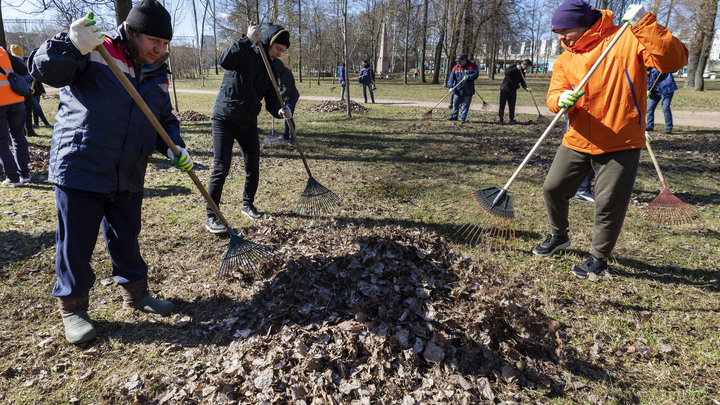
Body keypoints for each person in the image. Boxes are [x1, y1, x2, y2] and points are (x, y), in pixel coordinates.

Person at [29, 0, 193, 344]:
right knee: (75, 243)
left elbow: (163, 119)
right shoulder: (94, 48)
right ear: (132, 32)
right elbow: (43, 69)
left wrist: (174, 145)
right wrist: (70, 45)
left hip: (129, 169)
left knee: (126, 236)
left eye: (166, 44)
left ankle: (136, 294)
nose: (160, 50)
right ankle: (73, 309)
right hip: (81, 165)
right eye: (154, 42)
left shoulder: (157, 74)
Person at [532, 0, 687, 279]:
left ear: (583, 23)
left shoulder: (626, 37)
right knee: (553, 188)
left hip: (621, 139)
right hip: (577, 137)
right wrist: (560, 101)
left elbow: (673, 60)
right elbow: (554, 94)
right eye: (557, 31)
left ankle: (599, 258)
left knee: (608, 204)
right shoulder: (565, 59)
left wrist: (644, 23)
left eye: (564, 29)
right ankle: (559, 235)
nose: (560, 37)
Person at [205, 23, 291, 232]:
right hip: (224, 117)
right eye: (278, 49)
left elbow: (272, 98)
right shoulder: (245, 52)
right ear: (268, 42)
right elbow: (224, 60)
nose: (279, 54)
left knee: (253, 165)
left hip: (248, 121)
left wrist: (280, 110)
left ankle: (247, 204)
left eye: (283, 51)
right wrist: (246, 40)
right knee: (221, 166)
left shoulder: (273, 67)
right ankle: (212, 216)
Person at [0, 45, 31, 187]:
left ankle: (13, 177)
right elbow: (22, 69)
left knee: (1, 142)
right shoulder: (2, 50)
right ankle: (25, 174)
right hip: (16, 99)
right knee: (19, 137)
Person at [8, 44, 38, 138]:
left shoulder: (10, 61)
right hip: (24, 89)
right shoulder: (17, 62)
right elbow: (24, 75)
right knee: (27, 111)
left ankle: (25, 131)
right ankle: (28, 131)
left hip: (18, 90)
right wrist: (33, 75)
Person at [446, 53, 478, 123]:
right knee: (455, 104)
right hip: (458, 89)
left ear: (464, 60)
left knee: (466, 105)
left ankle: (462, 118)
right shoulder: (455, 68)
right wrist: (450, 87)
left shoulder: (473, 66)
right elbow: (451, 79)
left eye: (460, 61)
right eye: (457, 61)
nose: (458, 63)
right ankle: (454, 116)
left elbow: (476, 74)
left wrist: (469, 76)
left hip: (468, 89)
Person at [498, 59, 532, 124]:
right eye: (527, 67)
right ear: (524, 64)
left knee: (512, 106)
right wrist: (516, 68)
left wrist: (526, 88)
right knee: (502, 105)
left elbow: (522, 82)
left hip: (513, 90)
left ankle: (511, 119)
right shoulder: (513, 66)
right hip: (505, 89)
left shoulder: (522, 72)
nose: (527, 68)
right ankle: (501, 119)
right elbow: (507, 73)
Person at [646, 67, 677, 134]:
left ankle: (669, 126)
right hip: (654, 92)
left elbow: (674, 69)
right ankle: (649, 125)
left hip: (666, 89)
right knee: (649, 109)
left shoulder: (661, 66)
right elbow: (648, 81)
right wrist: (648, 90)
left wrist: (664, 68)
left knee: (665, 107)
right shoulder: (647, 70)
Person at [278, 65, 299, 143]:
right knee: (286, 117)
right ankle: (286, 135)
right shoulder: (281, 72)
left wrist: (278, 96)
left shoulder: (285, 74)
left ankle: (293, 139)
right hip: (288, 97)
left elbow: (286, 89)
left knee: (289, 117)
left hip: (291, 98)